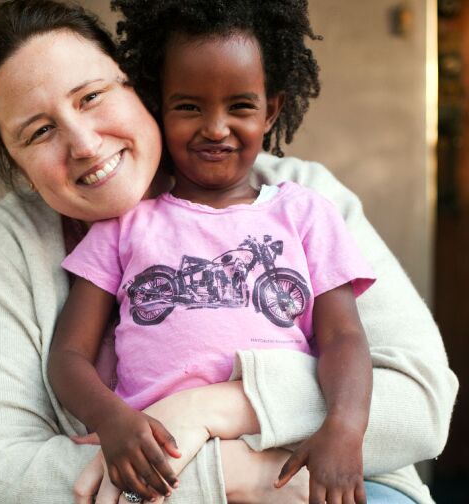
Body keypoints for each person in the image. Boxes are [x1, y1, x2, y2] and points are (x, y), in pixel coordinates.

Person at [0, 1, 458, 503]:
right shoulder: (11, 245)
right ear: (17, 163)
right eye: (40, 131)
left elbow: (419, 404)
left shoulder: (305, 201)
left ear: (136, 89)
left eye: (91, 96)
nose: (84, 143)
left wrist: (205, 409)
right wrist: (232, 476)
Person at [49, 1, 375, 503]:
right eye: (189, 106)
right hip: (159, 468)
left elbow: (343, 339)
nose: (216, 128)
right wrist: (111, 418)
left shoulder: (306, 214)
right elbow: (69, 355)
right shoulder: (125, 225)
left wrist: (346, 429)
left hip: (277, 457)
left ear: (272, 110)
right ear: (159, 106)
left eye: (240, 106)